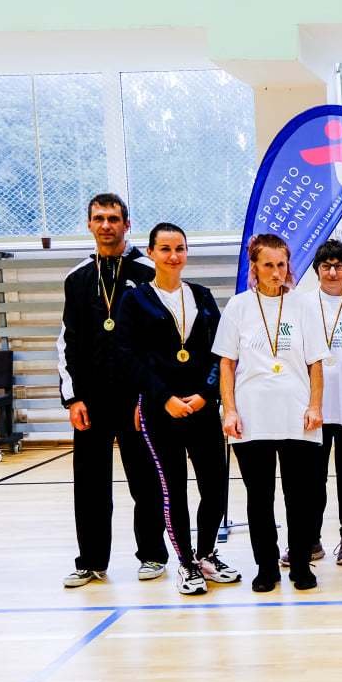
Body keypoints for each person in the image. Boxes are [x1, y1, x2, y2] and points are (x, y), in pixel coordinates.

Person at [116, 222, 239, 596]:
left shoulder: (201, 296)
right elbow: (128, 357)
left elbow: (221, 352)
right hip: (161, 409)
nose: (173, 256)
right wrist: (163, 397)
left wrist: (206, 394)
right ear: (151, 252)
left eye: (180, 248)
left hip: (202, 406)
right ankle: (186, 563)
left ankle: (206, 554)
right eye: (166, 249)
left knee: (215, 486)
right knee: (173, 489)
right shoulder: (135, 300)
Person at [57, 192, 168, 589]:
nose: (106, 225)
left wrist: (150, 396)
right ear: (89, 224)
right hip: (91, 399)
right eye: (99, 218)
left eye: (114, 218)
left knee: (146, 479)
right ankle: (90, 561)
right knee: (89, 484)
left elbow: (160, 342)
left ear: (127, 224)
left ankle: (153, 554)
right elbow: (67, 341)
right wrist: (72, 398)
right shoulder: (77, 278)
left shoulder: (148, 272)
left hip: (136, 398)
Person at [216, 233, 327, 593]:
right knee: (259, 497)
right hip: (252, 416)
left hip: (297, 414)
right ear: (254, 267)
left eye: (281, 264)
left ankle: (301, 565)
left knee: (300, 497)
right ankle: (266, 567)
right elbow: (227, 364)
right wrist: (230, 411)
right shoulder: (238, 307)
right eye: (268, 265)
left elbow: (315, 363)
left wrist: (315, 405)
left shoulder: (303, 306)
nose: (276, 272)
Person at [305, 239, 342, 568]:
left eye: (338, 266)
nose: (332, 272)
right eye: (326, 266)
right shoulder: (302, 304)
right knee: (312, 478)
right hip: (313, 406)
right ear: (317, 269)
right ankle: (310, 539)